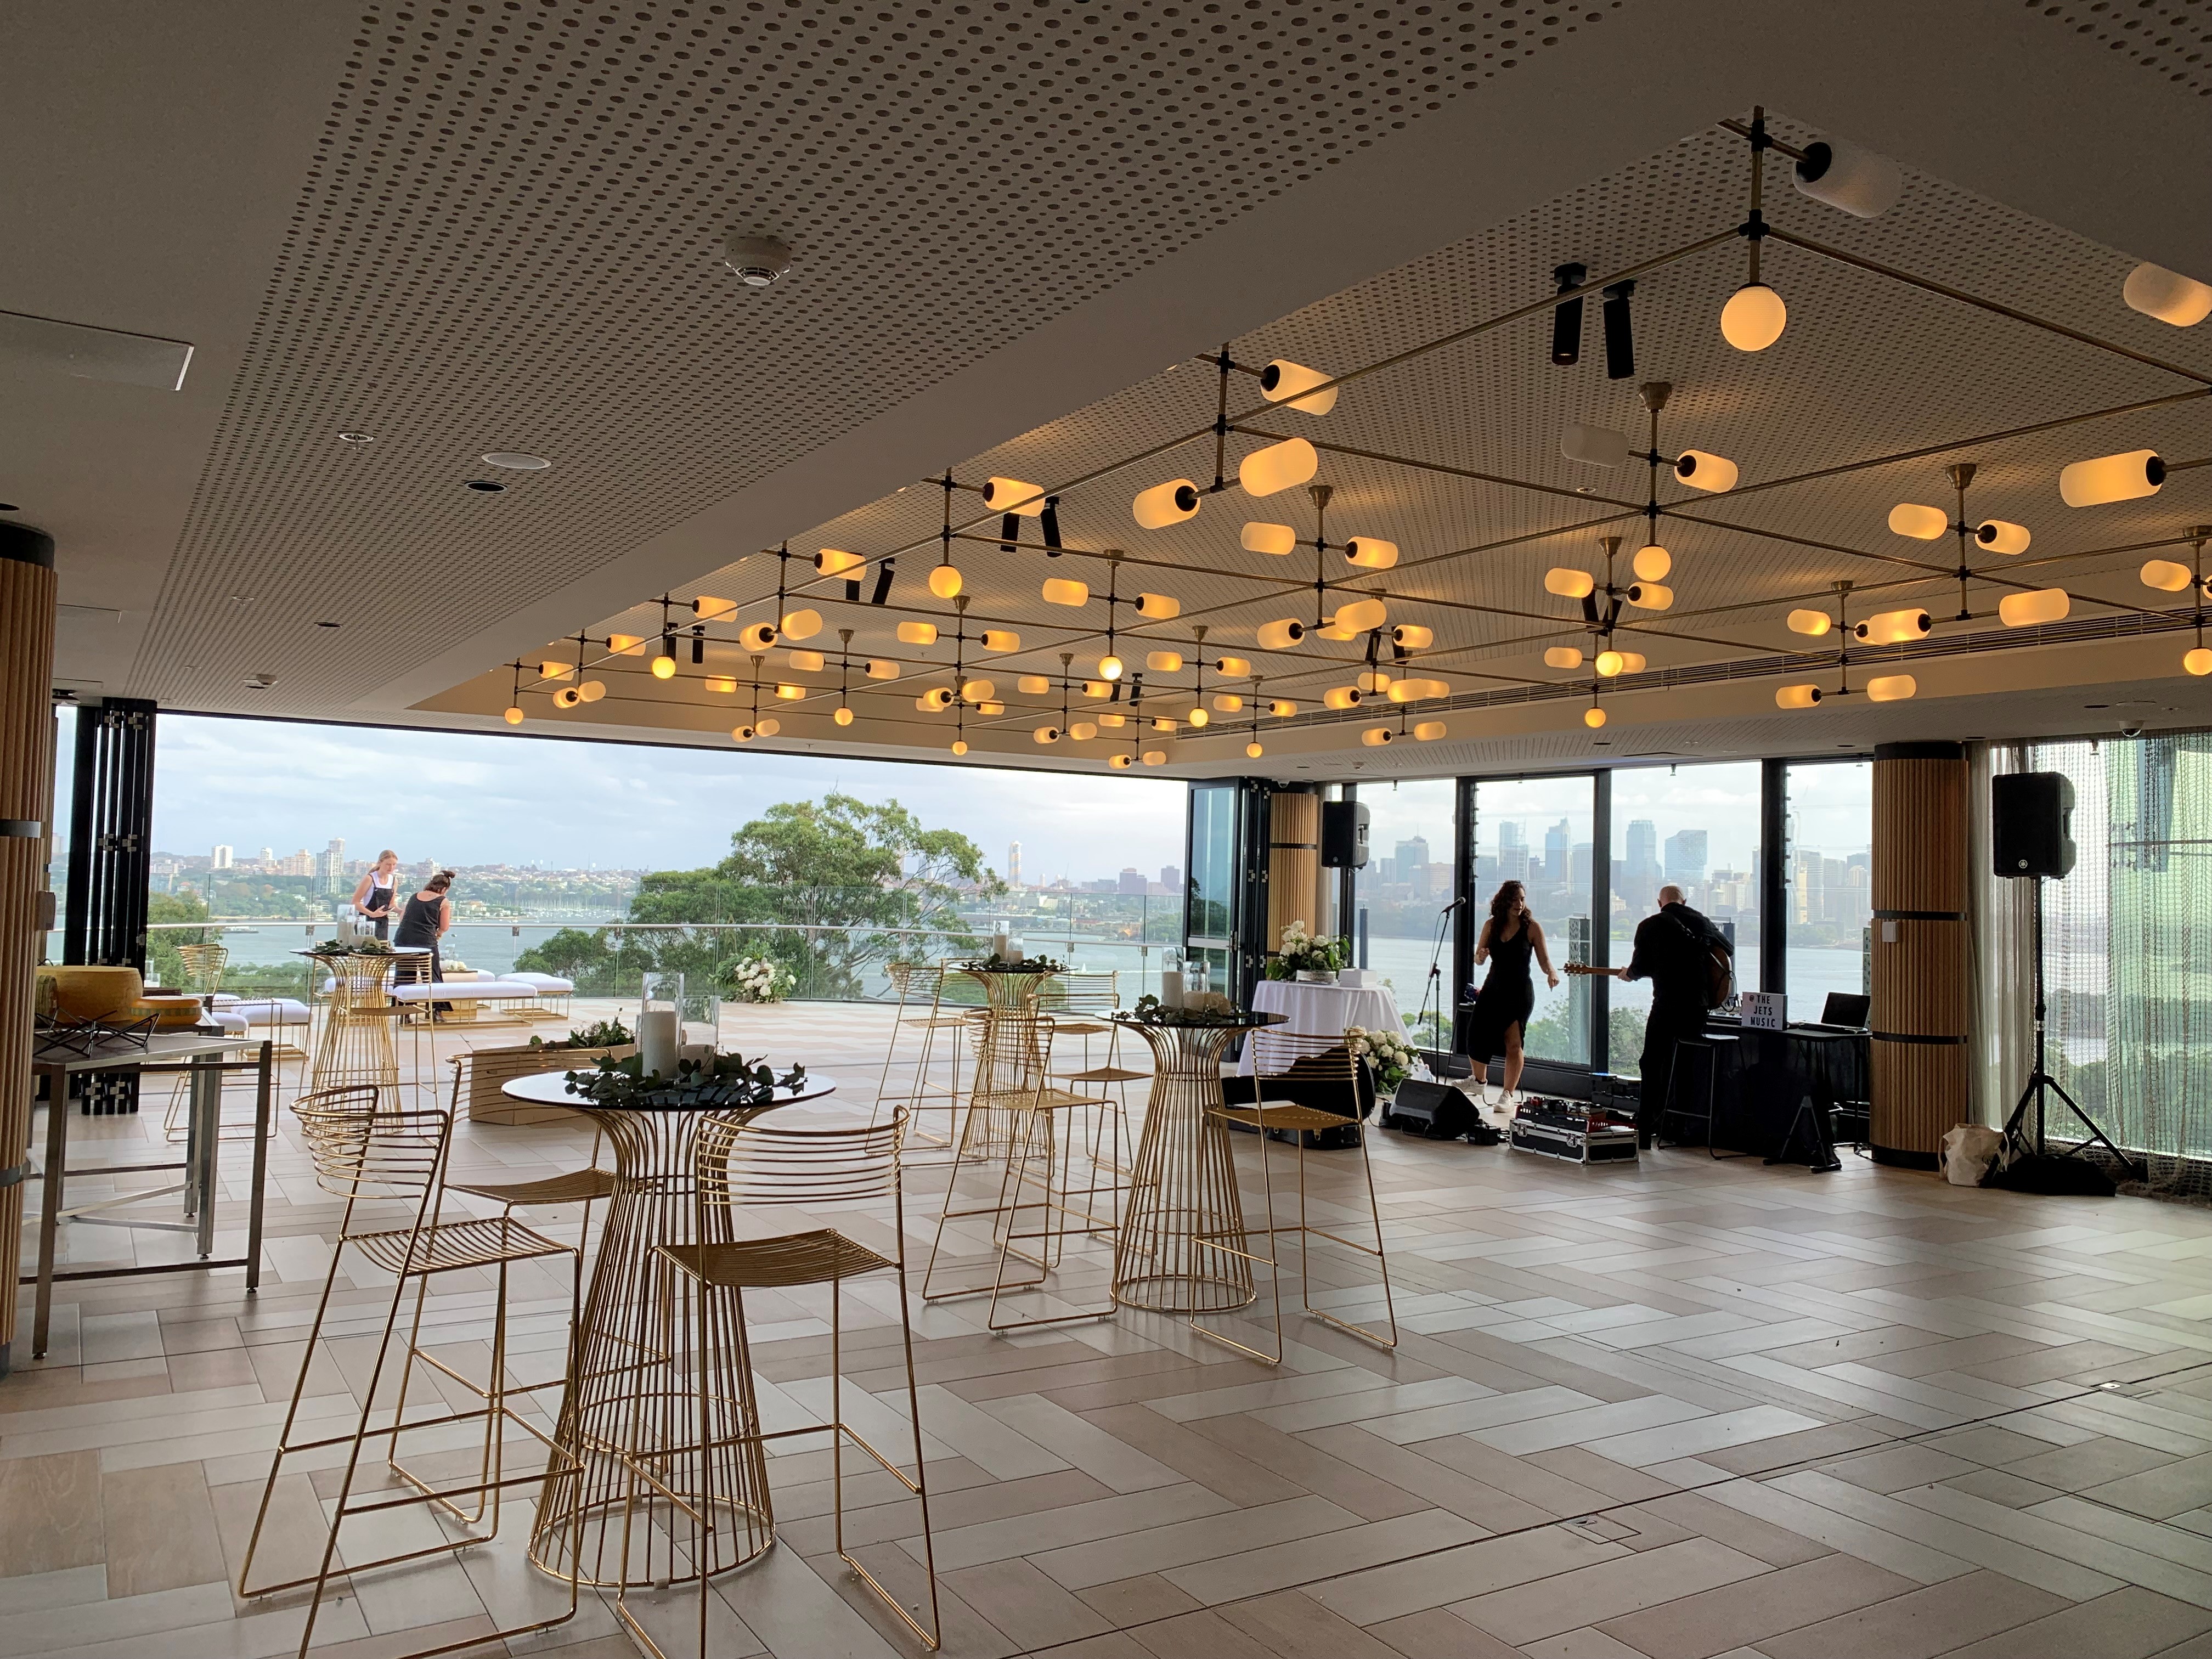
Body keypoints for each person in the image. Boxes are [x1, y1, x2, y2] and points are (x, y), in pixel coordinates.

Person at [1614, 883, 1732, 1147]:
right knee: (1685, 1065)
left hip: (1666, 1005)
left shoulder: (1649, 926)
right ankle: (1679, 1130)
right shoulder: (1701, 921)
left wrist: (1629, 974)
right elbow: (1728, 950)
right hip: (1697, 1006)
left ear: (1660, 903)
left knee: (1651, 1063)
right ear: (1684, 901)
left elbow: (1640, 967)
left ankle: (1645, 1131)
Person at [1466, 880, 1557, 1107]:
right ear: (1504, 902)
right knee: (1476, 1034)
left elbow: (1545, 961)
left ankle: (1507, 1094)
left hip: (1519, 992)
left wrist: (1552, 973)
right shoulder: (1491, 926)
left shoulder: (1532, 927)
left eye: (1522, 899)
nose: (1519, 904)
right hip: (1492, 988)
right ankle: (1478, 1081)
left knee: (1514, 1043)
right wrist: (1481, 956)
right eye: (1515, 900)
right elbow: (1477, 959)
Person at [393, 868, 455, 990]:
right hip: (425, 942)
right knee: (432, 977)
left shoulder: (414, 896)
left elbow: (402, 919)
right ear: (444, 889)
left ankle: (401, 1000)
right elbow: (444, 927)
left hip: (403, 939)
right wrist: (439, 933)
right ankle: (434, 1001)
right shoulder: (443, 901)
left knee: (404, 978)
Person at [350, 849, 399, 940]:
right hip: (365, 922)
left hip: (382, 924)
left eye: (394, 864)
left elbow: (391, 904)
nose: (391, 867)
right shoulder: (370, 879)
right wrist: (372, 914)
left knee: (382, 947)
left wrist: (401, 911)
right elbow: (355, 903)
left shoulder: (394, 881)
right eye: (388, 864)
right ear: (380, 863)